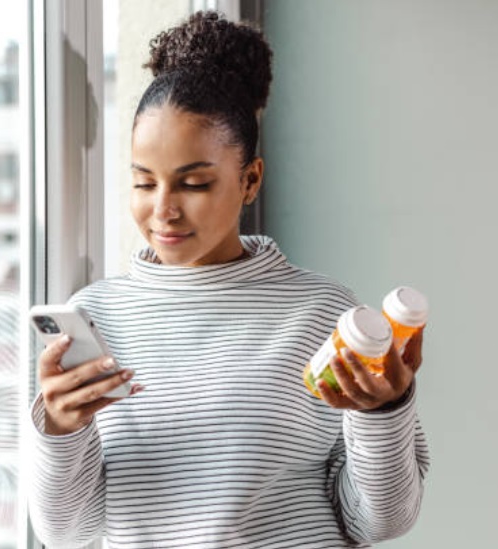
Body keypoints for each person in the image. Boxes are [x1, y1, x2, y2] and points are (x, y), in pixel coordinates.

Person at [28, 11, 429, 549]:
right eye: (144, 183)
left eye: (193, 183)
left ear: (249, 180)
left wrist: (384, 412)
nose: (163, 210)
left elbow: (379, 522)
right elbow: (68, 535)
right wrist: (60, 429)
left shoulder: (321, 312)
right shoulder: (95, 316)